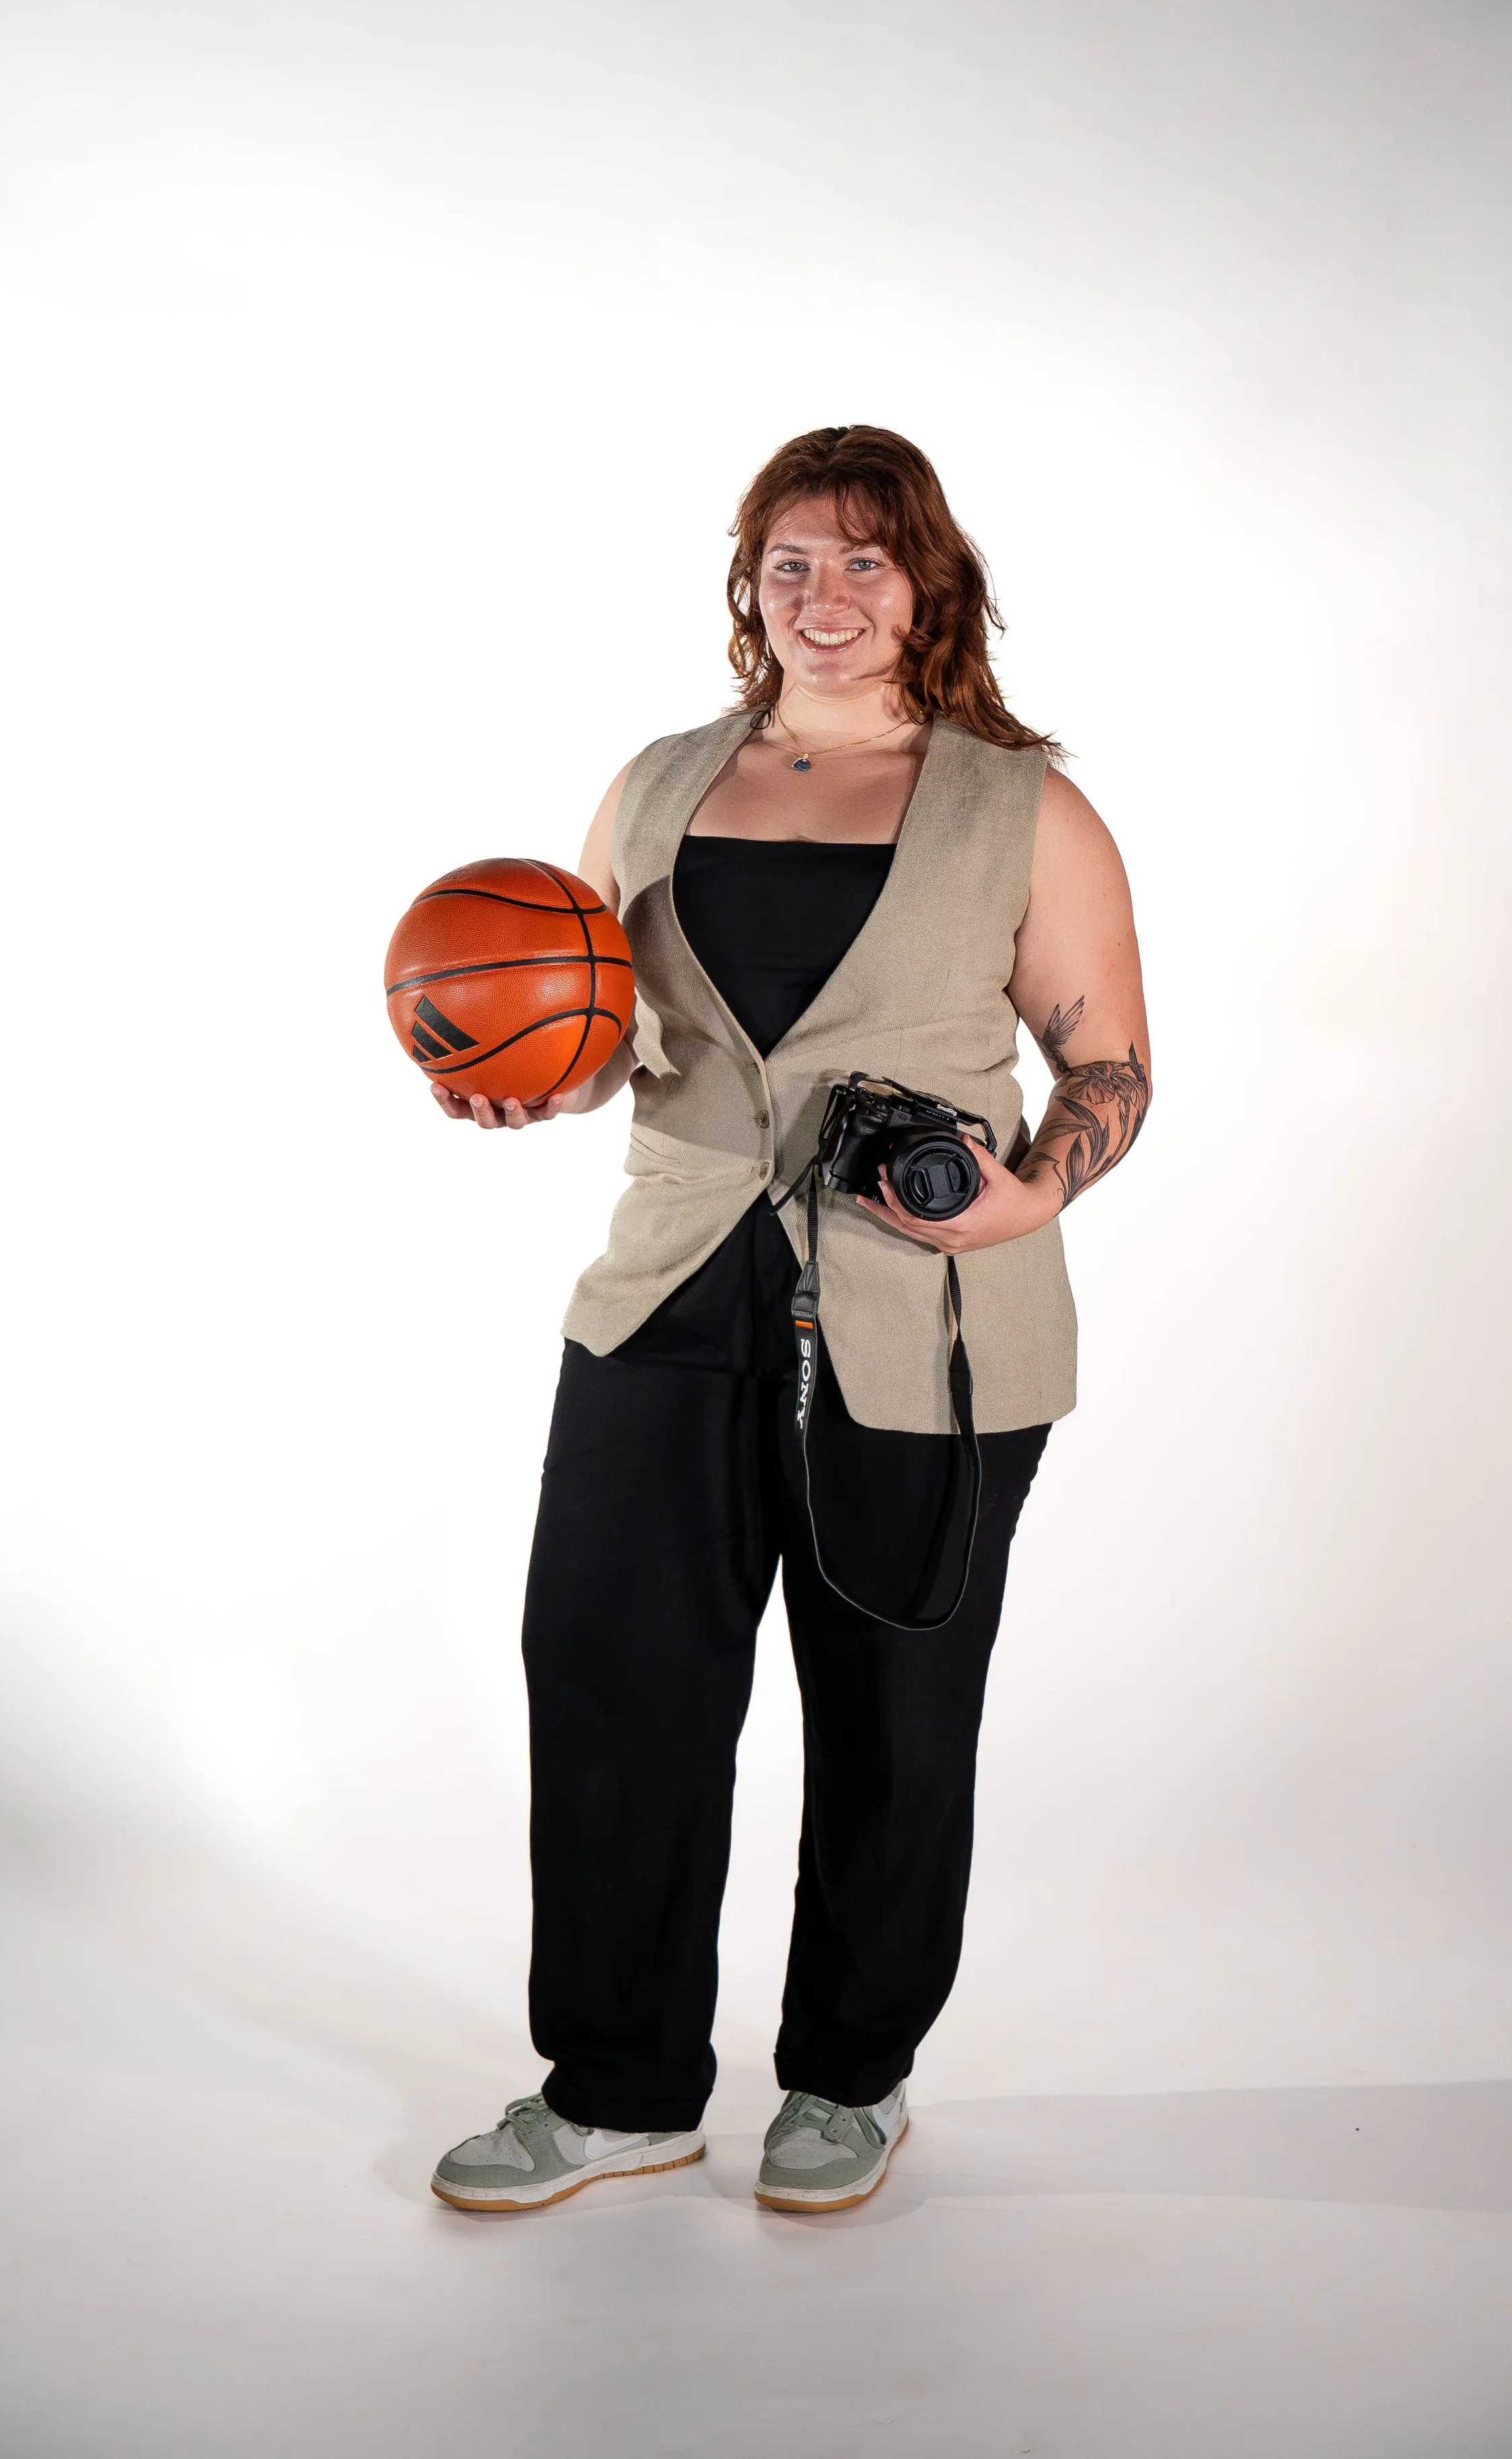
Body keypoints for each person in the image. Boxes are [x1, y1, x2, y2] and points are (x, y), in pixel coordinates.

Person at [428, 425, 1151, 2214]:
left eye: (861, 562)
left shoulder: (1020, 802)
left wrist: (1031, 1188)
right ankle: (613, 2085)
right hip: (669, 1292)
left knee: (894, 1704)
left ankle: (847, 2074)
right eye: (787, 564)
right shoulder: (661, 781)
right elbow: (594, 1020)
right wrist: (529, 1085)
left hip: (928, 1318)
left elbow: (1109, 1061)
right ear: (749, 587)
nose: (822, 599)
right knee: (609, 1680)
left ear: (931, 582)